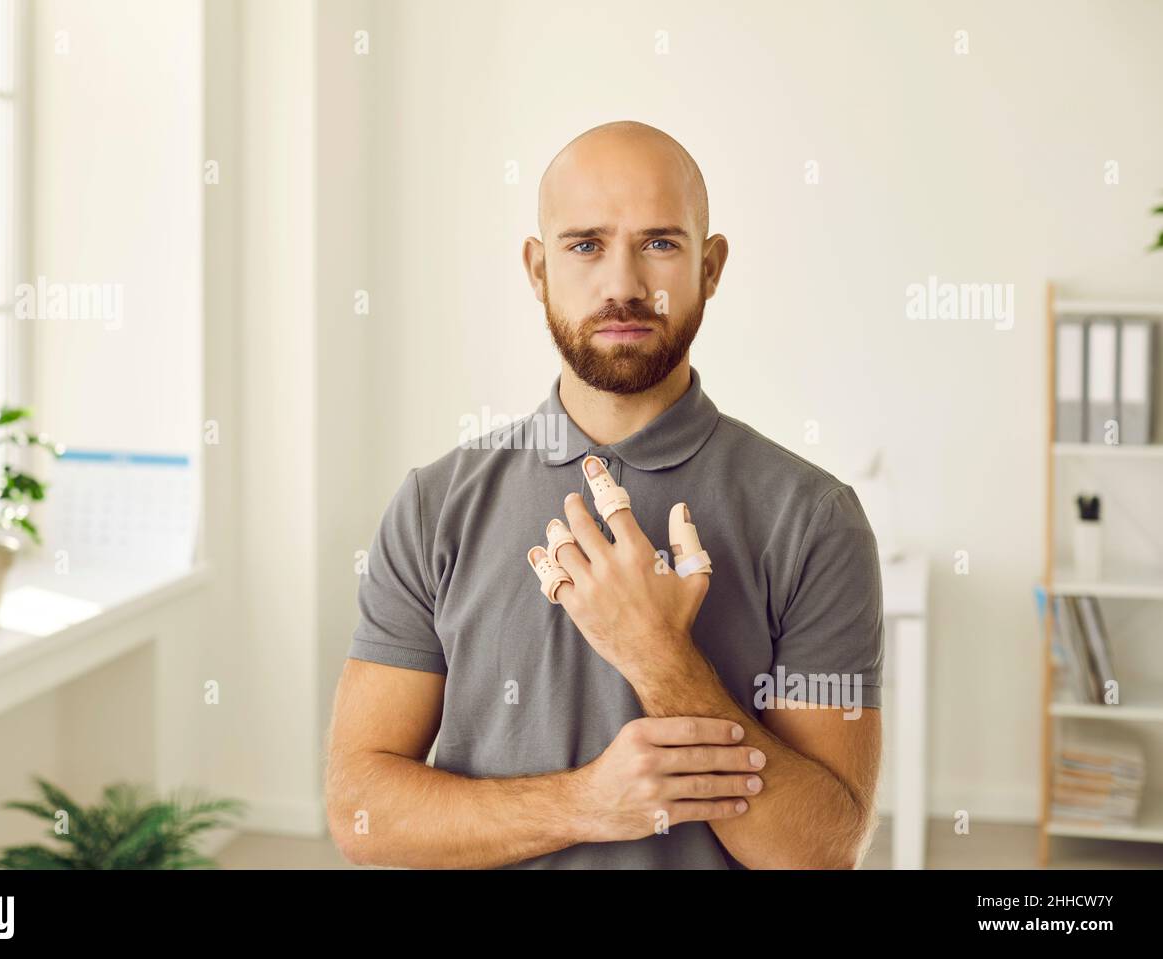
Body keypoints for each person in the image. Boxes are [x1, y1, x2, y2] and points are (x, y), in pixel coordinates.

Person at [325, 121, 884, 869]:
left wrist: (659, 657)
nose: (621, 284)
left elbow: (821, 849)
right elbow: (362, 812)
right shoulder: (434, 506)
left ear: (710, 267)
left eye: (660, 243)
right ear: (537, 268)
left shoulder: (816, 519)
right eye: (585, 244)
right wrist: (587, 802)